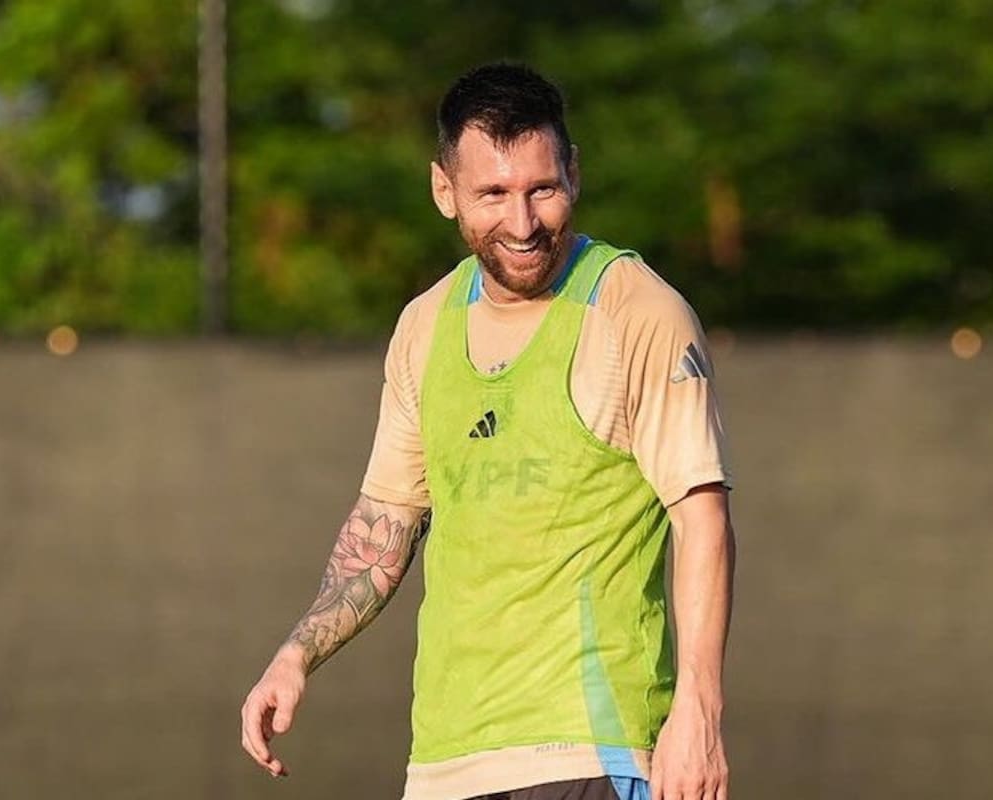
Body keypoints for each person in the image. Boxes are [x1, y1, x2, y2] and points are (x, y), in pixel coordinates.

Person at [240, 62, 736, 800]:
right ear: (445, 191)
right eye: (493, 194)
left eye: (543, 188)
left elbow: (703, 520)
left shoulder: (636, 312)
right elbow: (387, 519)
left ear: (574, 171)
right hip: (445, 763)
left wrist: (698, 710)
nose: (524, 222)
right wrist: (297, 653)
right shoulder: (423, 327)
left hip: (594, 754)